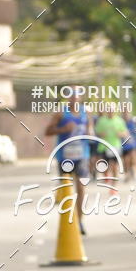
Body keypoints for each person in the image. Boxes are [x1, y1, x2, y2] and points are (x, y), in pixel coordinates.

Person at [44, 86, 91, 234]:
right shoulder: (61, 113)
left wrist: (90, 133)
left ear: (80, 97)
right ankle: (69, 221)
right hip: (65, 156)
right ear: (68, 97)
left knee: (81, 188)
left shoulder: (86, 112)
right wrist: (63, 130)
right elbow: (47, 131)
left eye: (77, 95)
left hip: (82, 154)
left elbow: (90, 129)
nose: (74, 97)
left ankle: (80, 221)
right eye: (71, 95)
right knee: (66, 190)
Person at [94, 104, 129, 191]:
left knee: (114, 165)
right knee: (103, 165)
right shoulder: (101, 120)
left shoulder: (119, 120)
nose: (110, 112)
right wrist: (101, 134)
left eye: (112, 110)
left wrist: (120, 134)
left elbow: (125, 133)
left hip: (115, 146)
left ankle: (113, 185)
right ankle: (106, 177)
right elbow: (96, 132)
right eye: (109, 110)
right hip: (103, 146)